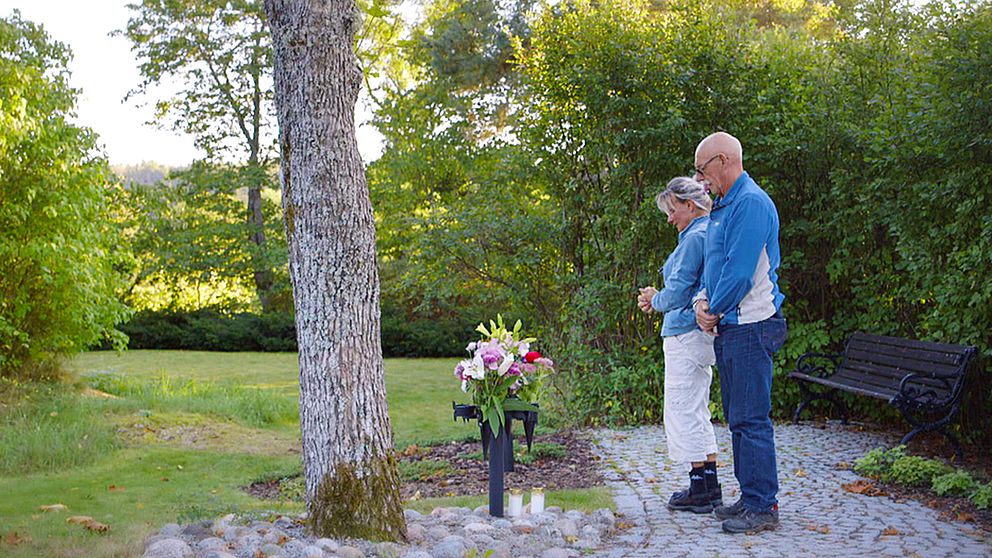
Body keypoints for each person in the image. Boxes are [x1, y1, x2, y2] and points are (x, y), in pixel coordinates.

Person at [691, 132, 787, 534]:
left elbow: (740, 273)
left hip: (751, 325)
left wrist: (713, 308)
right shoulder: (723, 207)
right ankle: (750, 498)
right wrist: (701, 302)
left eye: (703, 169)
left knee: (751, 419)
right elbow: (714, 266)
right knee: (737, 419)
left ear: (725, 160)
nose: (700, 179)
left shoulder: (749, 204)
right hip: (731, 327)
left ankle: (764, 507)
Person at [637, 177, 723, 514]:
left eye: (673, 210)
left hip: (685, 334)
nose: (670, 218)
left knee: (681, 409)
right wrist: (659, 299)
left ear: (690, 205)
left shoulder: (694, 239)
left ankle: (699, 489)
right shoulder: (709, 232)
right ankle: (709, 484)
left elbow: (678, 291)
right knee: (698, 409)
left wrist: (653, 299)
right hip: (698, 333)